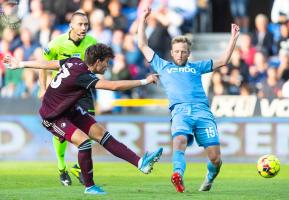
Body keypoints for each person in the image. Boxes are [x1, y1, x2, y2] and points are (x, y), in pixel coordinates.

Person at [4, 43, 163, 195]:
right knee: (84, 142)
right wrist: (145, 81)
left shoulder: (74, 61)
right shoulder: (83, 76)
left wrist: (21, 63)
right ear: (98, 61)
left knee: (102, 134)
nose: (107, 66)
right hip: (53, 116)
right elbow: (114, 86)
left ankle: (141, 163)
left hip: (69, 109)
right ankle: (90, 186)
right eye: (106, 62)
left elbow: (51, 63)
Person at [137, 6, 240, 193]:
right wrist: (142, 20)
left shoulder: (197, 67)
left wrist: (233, 38)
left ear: (188, 53)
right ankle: (177, 175)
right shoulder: (163, 66)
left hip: (202, 111)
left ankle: (209, 178)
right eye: (176, 51)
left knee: (215, 158)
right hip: (180, 111)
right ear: (172, 51)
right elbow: (143, 45)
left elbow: (224, 60)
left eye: (183, 51)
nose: (180, 55)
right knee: (179, 142)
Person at [39, 11, 97, 186]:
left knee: (91, 127)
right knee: (61, 133)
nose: (84, 28)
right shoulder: (57, 44)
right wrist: (42, 88)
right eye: (80, 24)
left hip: (83, 92)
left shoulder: (92, 43)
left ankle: (78, 167)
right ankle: (61, 167)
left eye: (86, 24)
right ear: (71, 25)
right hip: (62, 94)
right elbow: (43, 65)